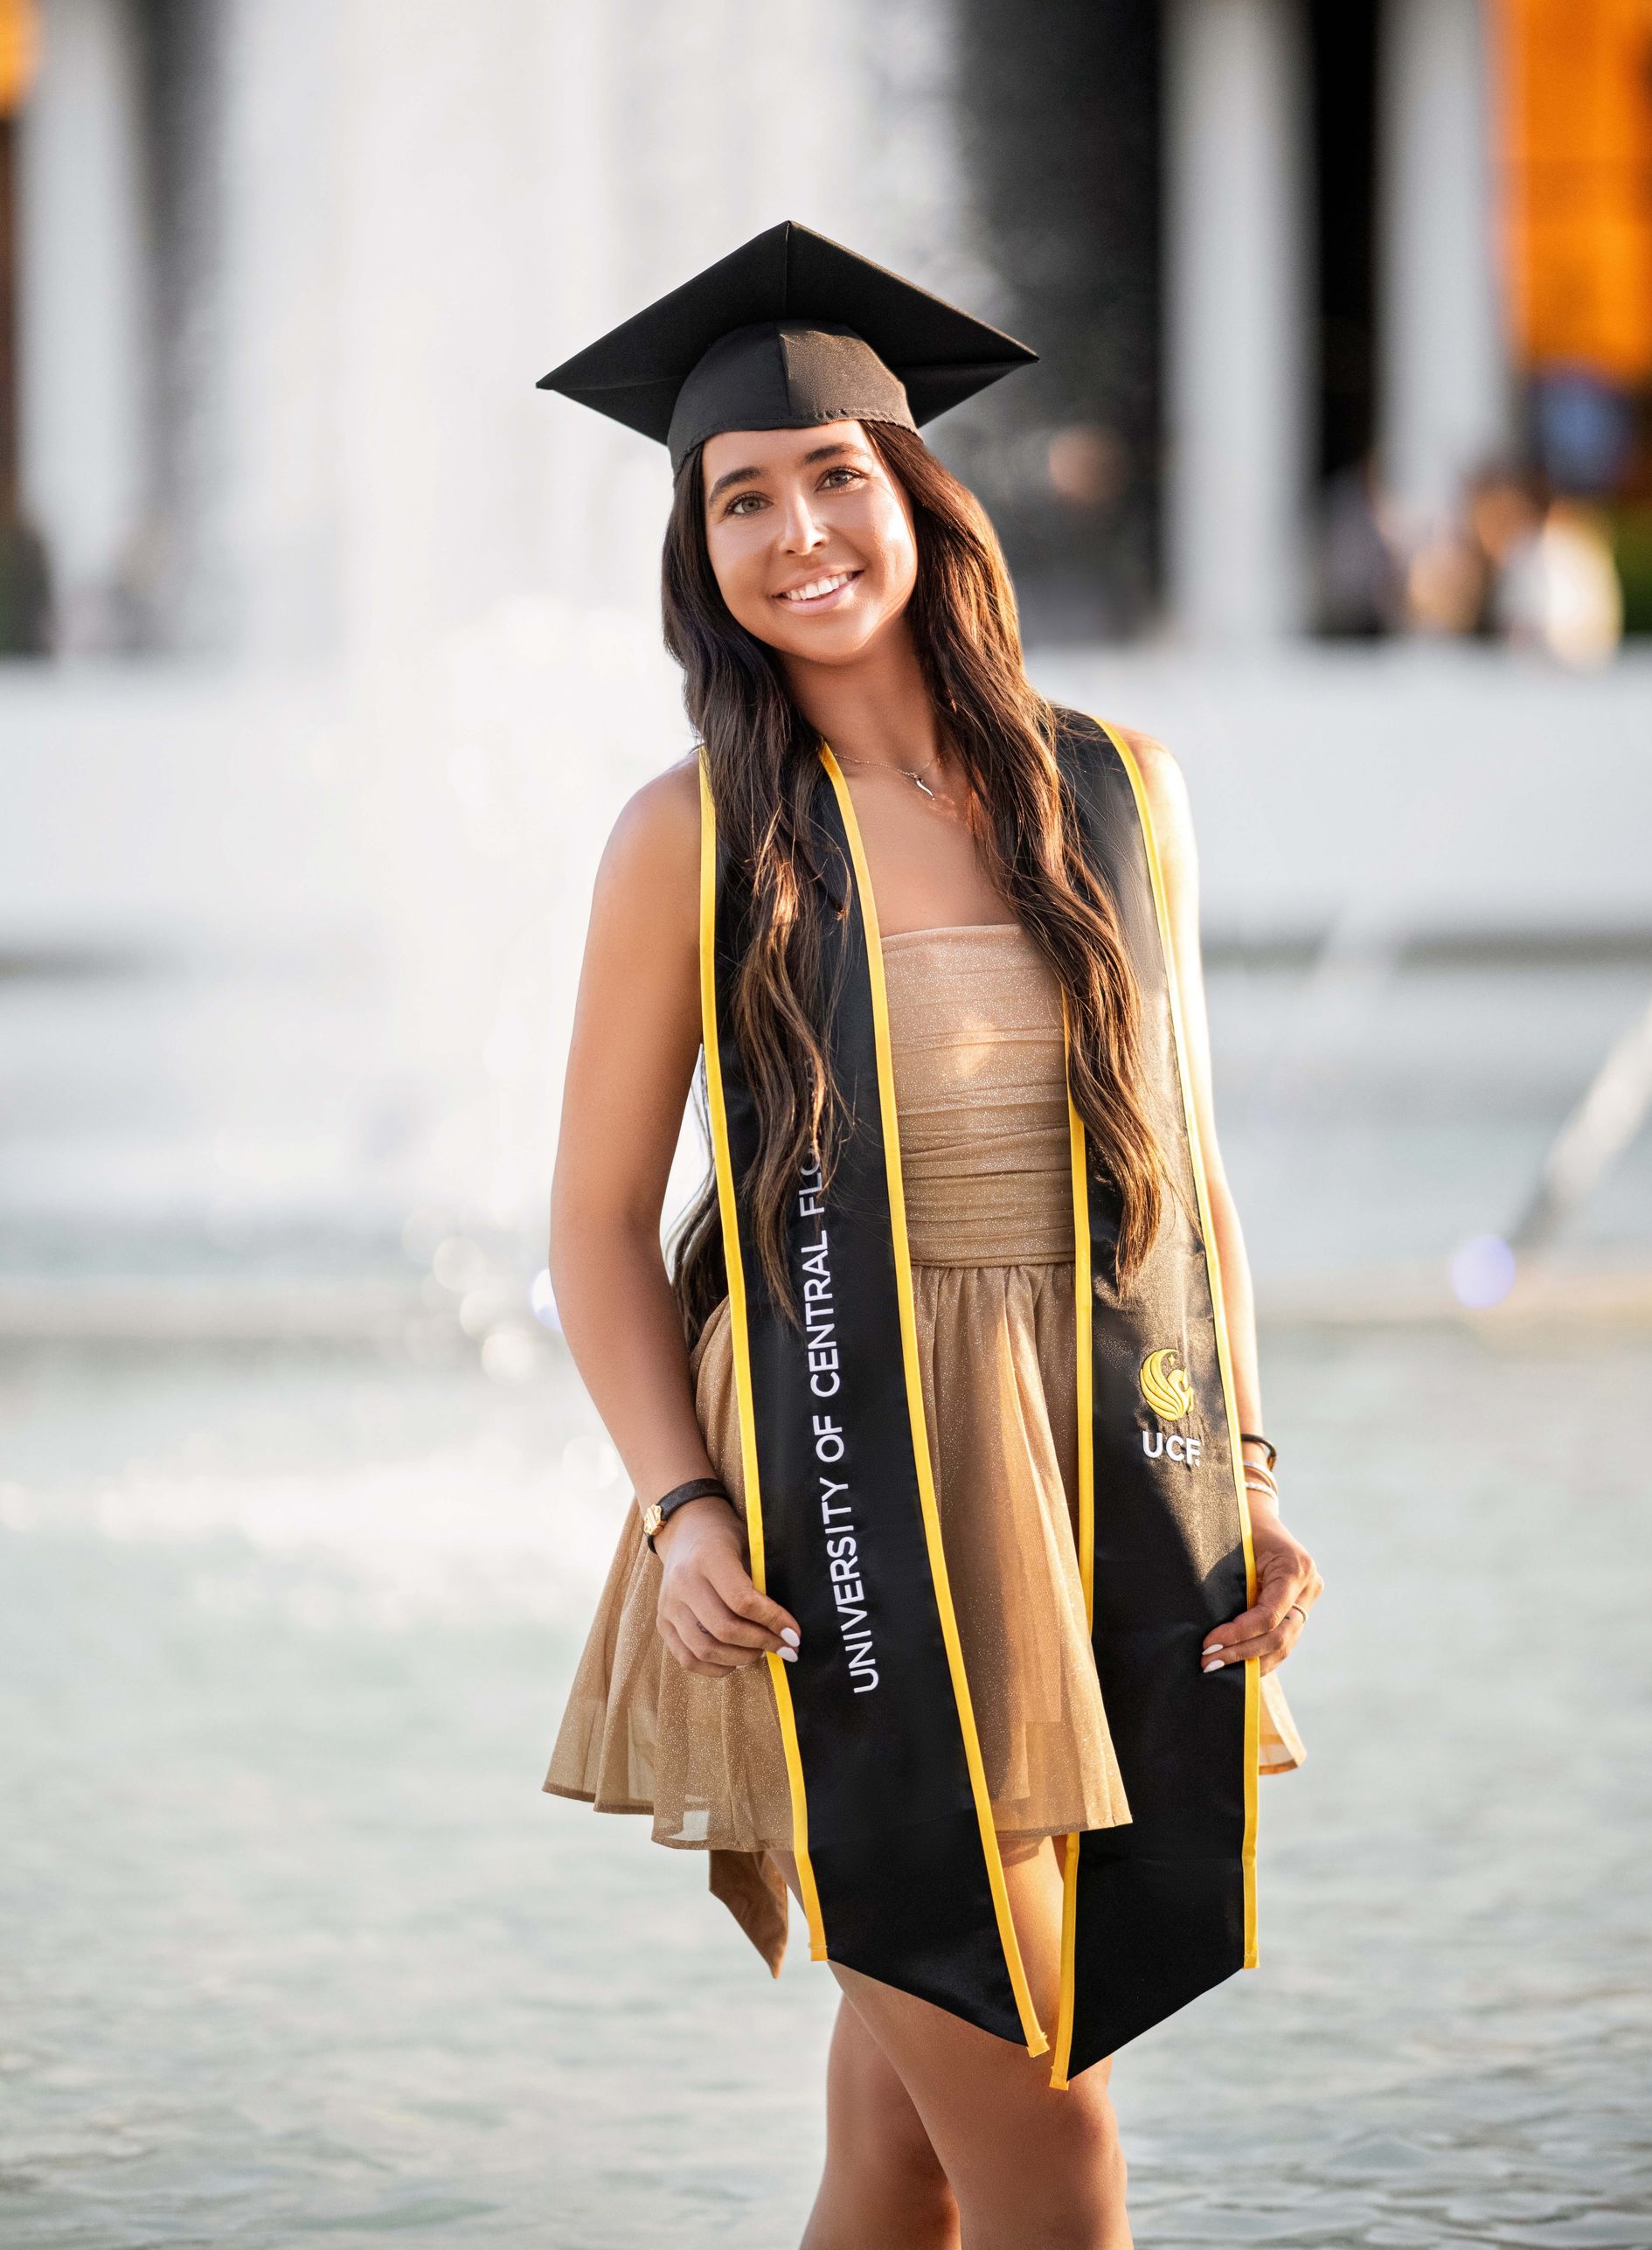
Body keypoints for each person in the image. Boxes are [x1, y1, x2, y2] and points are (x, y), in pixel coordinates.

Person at [540, 223, 1320, 2250]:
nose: (798, 531)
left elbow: (1187, 1172)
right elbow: (598, 1223)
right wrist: (681, 1509)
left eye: (835, 478)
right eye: (741, 498)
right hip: (832, 1493)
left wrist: (1242, 1468)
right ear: (695, 549)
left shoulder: (1115, 796)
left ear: (919, 495)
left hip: (1080, 1481)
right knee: (1049, 2156)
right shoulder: (692, 834)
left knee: (902, 2154)